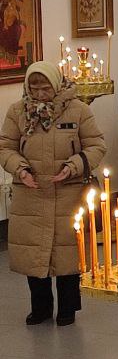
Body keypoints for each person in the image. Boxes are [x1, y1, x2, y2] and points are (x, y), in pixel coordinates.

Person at [0, 62, 106, 325]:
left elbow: (96, 145)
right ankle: (41, 308)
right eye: (34, 88)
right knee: (34, 253)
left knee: (67, 252)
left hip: (68, 191)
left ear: (56, 84)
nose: (40, 93)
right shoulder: (17, 112)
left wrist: (72, 167)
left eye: (45, 87)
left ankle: (68, 309)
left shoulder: (78, 110)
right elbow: (5, 147)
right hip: (31, 192)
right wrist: (20, 170)